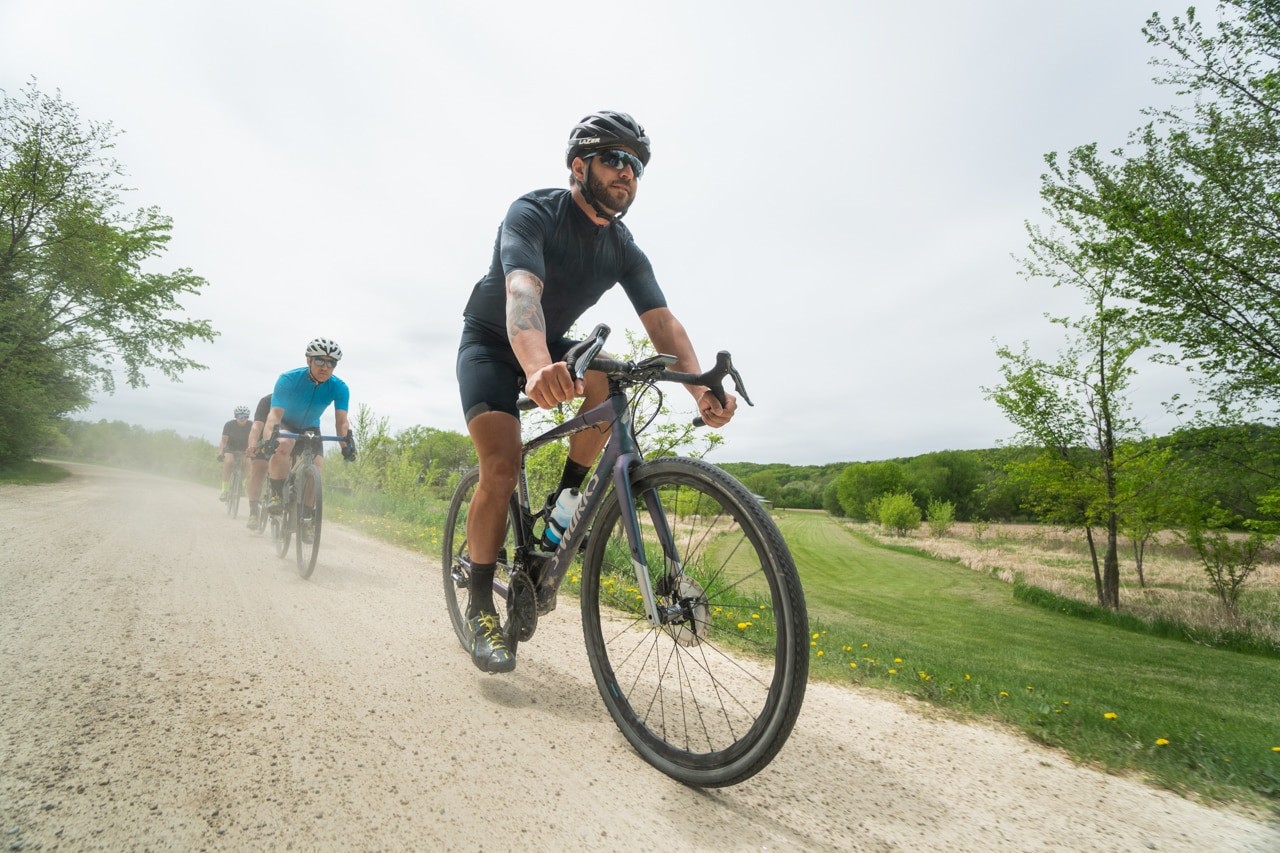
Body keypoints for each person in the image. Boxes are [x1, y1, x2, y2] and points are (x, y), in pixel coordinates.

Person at [455, 110, 737, 674]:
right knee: (502, 468)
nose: (626, 172)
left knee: (612, 374)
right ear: (579, 166)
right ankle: (482, 603)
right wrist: (536, 366)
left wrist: (699, 384)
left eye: (635, 165)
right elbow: (522, 294)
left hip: (551, 343)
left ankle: (564, 507)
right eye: (614, 158)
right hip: (491, 343)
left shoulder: (624, 247)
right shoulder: (534, 212)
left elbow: (663, 324)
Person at [261, 338, 356, 542]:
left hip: (311, 427)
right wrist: (270, 440)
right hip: (286, 423)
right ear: (308, 360)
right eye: (320, 361)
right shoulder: (288, 379)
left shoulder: (339, 387)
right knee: (283, 445)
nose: (325, 367)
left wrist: (346, 445)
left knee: (317, 468)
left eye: (331, 363)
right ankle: (277, 494)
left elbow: (342, 422)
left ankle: (305, 516)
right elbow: (274, 415)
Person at [243, 392, 273, 528]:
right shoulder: (266, 401)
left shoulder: (299, 401)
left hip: (287, 440)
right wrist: (252, 445)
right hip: (264, 439)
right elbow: (256, 427)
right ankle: (254, 513)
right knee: (259, 470)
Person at [217, 405, 252, 501]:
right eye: (240, 416)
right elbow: (224, 441)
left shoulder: (251, 425)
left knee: (248, 463)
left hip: (245, 448)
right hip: (230, 447)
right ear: (236, 416)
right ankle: (224, 490)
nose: (242, 419)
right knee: (228, 462)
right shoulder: (229, 425)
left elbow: (254, 439)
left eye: (245, 416)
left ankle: (242, 486)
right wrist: (221, 452)